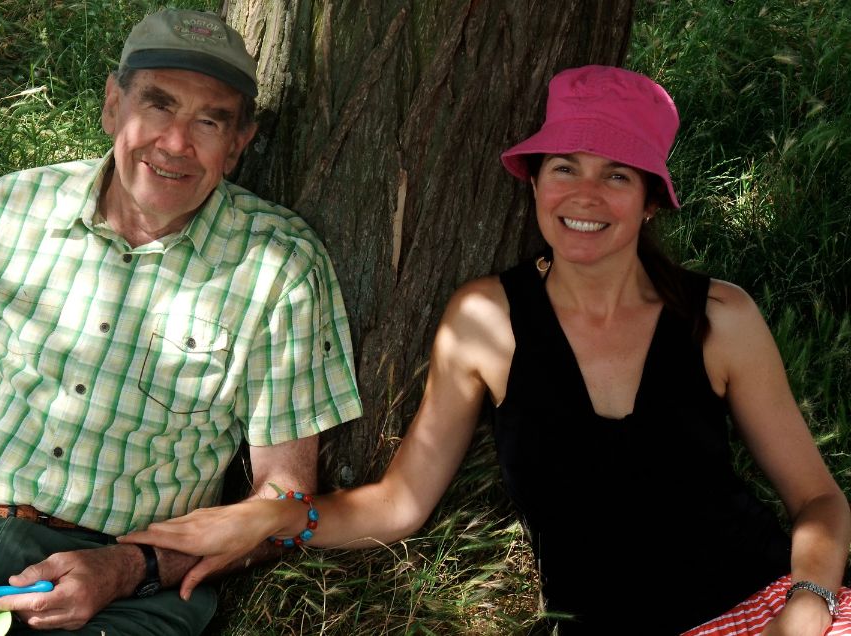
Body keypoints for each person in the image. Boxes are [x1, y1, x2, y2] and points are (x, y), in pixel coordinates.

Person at [120, 65, 851, 634]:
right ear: (533, 180)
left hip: (771, 605)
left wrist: (809, 603)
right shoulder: (486, 319)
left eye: (616, 175)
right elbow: (401, 505)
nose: (585, 195)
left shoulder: (717, 317)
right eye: (564, 166)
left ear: (652, 197)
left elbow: (818, 497)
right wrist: (275, 517)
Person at [0, 8, 361, 635]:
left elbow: (284, 505)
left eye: (209, 121)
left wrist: (127, 567)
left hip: (124, 589)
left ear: (241, 141)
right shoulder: (11, 207)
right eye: (159, 106)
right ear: (113, 105)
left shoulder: (279, 266)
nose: (175, 143)